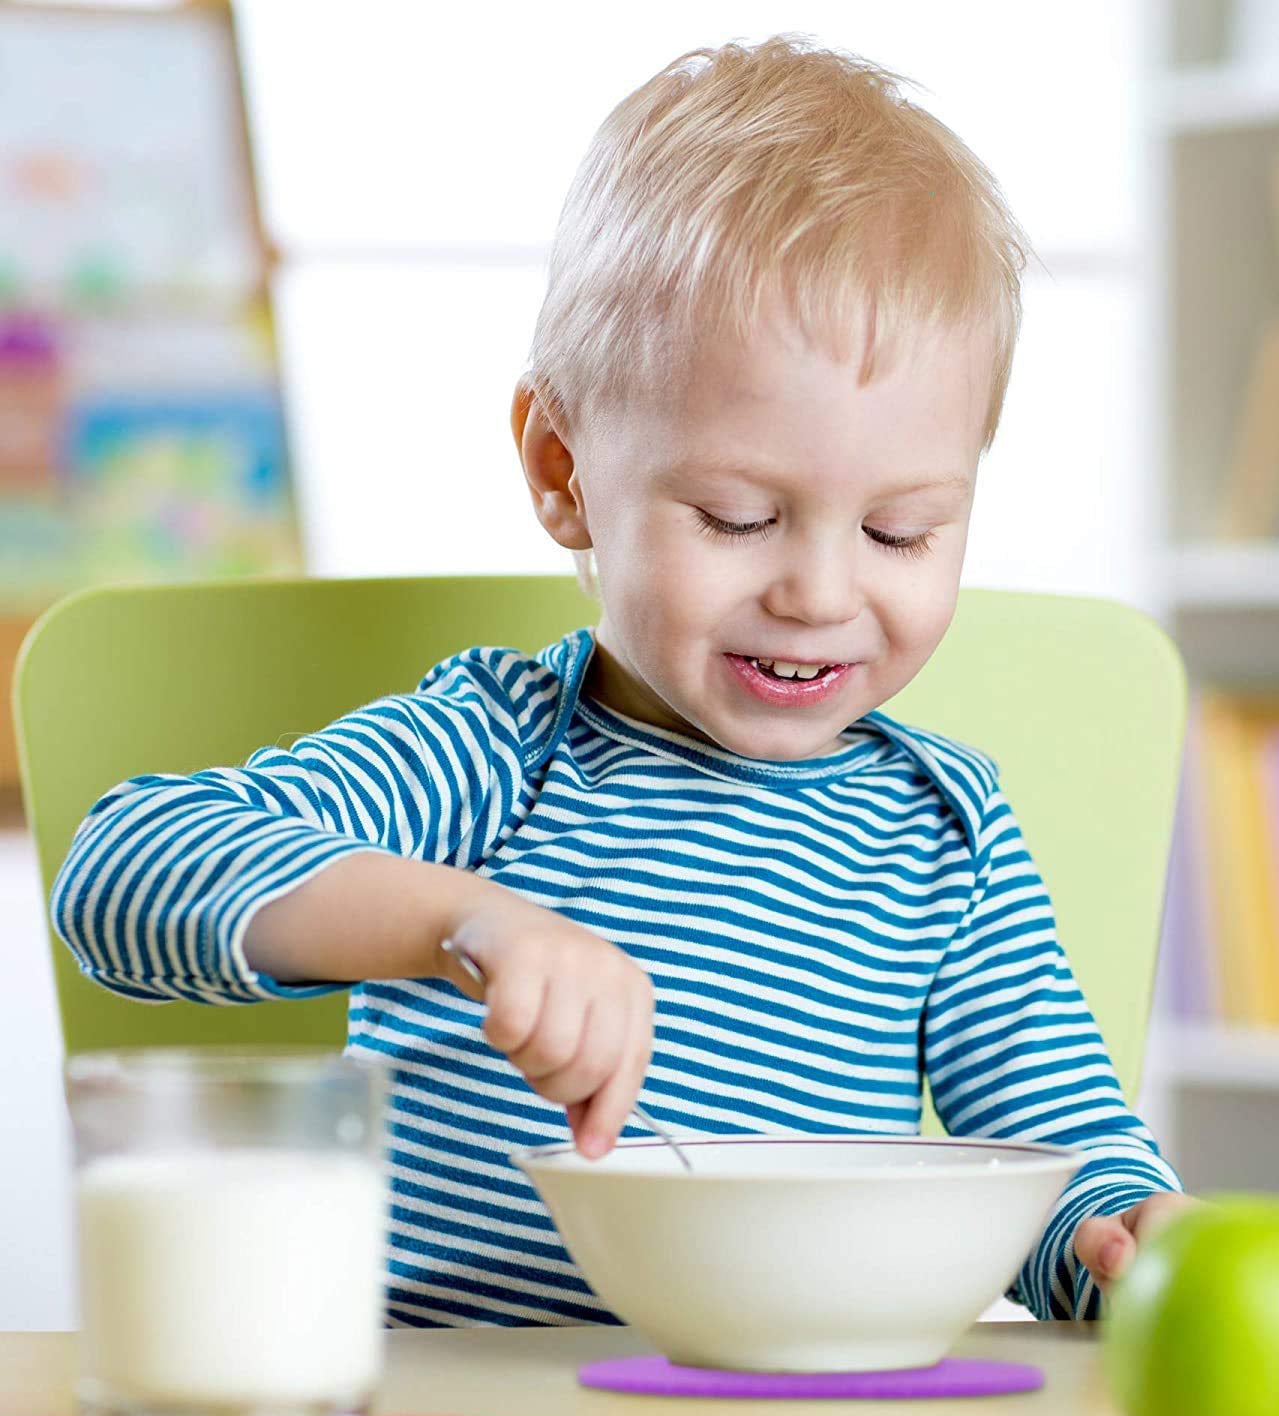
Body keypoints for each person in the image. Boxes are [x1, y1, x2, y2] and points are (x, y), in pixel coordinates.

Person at [51, 33, 1189, 1328]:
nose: (820, 592)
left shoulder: (947, 829)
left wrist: (1138, 1241)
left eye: (899, 532)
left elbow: (1061, 1167)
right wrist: (459, 921)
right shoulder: (492, 755)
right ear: (562, 470)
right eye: (737, 516)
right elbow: (123, 868)